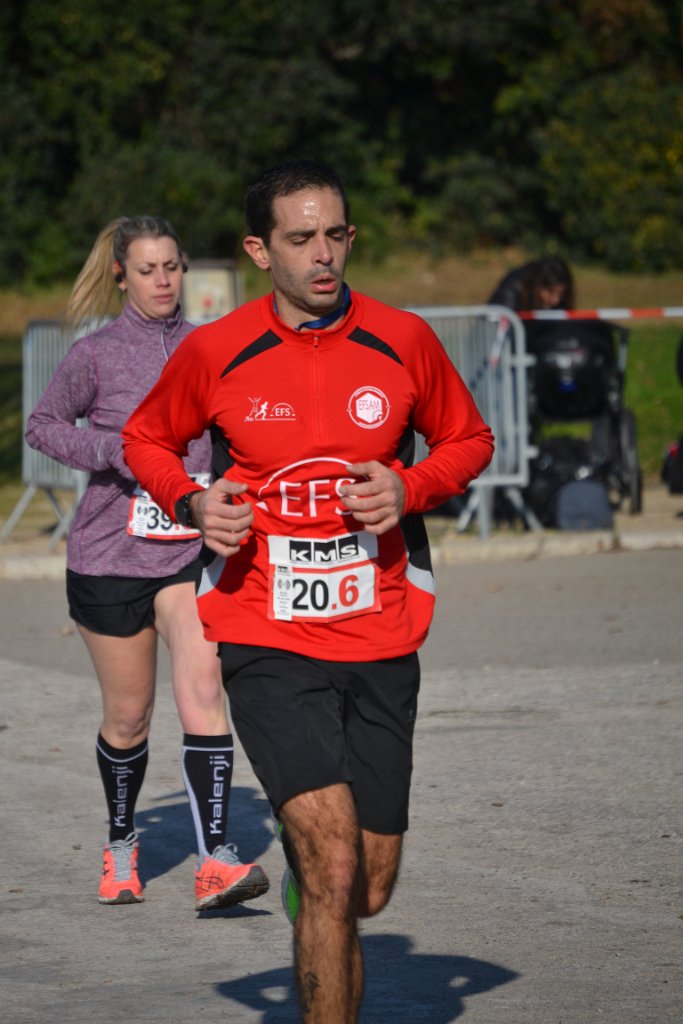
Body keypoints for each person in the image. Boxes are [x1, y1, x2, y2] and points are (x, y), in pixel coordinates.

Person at [122, 162, 494, 1023]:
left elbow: (468, 438)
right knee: (332, 861)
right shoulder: (216, 350)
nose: (322, 255)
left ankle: (313, 885)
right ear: (260, 251)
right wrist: (192, 502)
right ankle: (316, 884)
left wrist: (410, 487)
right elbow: (146, 439)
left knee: (366, 885)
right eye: (299, 239)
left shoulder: (403, 339)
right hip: (265, 629)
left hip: (382, 626)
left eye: (334, 235)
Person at [25, 216, 269, 911]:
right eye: (147, 269)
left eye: (172, 267)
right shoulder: (95, 355)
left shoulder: (213, 347)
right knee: (129, 717)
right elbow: (42, 426)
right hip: (109, 555)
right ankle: (121, 841)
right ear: (121, 276)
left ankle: (216, 860)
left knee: (204, 688)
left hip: (190, 551)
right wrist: (115, 450)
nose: (163, 281)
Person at [487, 255, 575, 312]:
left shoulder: (558, 303)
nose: (555, 300)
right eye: (550, 292)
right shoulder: (512, 290)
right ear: (538, 285)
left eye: (561, 294)